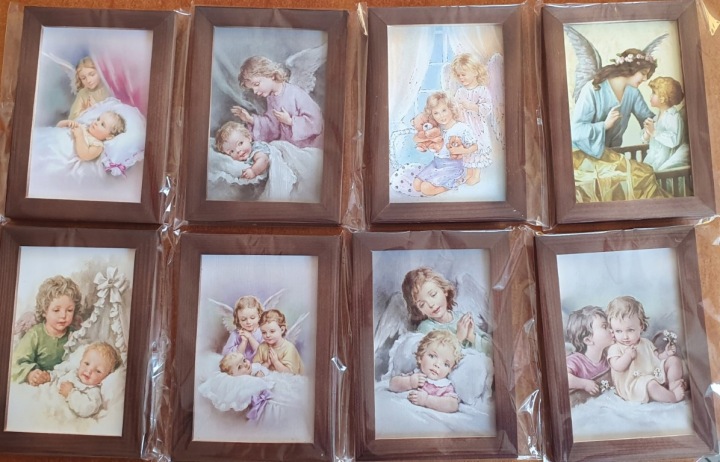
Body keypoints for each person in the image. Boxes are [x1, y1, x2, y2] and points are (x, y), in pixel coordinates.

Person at [571, 48, 668, 201]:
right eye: (643, 73)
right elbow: (575, 131)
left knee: (645, 174)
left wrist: (666, 115)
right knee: (632, 177)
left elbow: (648, 118)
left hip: (609, 156)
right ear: (630, 69)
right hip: (583, 157)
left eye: (647, 75)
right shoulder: (594, 88)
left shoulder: (632, 93)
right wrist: (604, 125)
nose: (645, 79)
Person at [232, 55, 323, 149]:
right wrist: (250, 119)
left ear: (271, 75)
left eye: (256, 84)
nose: (254, 91)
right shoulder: (271, 98)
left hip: (308, 146)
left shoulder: (295, 93)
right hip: (287, 146)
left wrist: (290, 121)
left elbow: (316, 121)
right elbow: (272, 125)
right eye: (252, 89)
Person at [606, 296, 685, 403]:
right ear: (612, 331)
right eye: (618, 331)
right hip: (633, 385)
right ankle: (673, 397)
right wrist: (627, 356)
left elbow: (656, 358)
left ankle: (673, 384)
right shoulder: (615, 348)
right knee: (651, 384)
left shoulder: (646, 343)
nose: (625, 336)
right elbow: (617, 367)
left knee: (674, 360)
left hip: (652, 374)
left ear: (641, 326)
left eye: (630, 330)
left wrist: (666, 354)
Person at [402, 267, 491, 354]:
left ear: (444, 291)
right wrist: (459, 339)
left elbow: (491, 349)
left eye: (433, 295)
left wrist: (471, 337)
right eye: (422, 304)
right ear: (419, 310)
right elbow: (436, 359)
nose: (431, 304)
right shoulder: (427, 328)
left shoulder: (461, 317)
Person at [12, 276, 82, 385]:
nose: (63, 315)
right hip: (38, 384)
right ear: (44, 311)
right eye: (56, 310)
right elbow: (15, 363)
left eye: (69, 310)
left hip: (61, 383)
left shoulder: (74, 335)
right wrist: (30, 374)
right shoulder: (35, 334)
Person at [412, 92, 479, 197]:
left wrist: (462, 151)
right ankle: (436, 181)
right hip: (436, 163)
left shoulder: (461, 128)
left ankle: (452, 184)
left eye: (444, 110)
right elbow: (421, 139)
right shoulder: (436, 128)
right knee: (416, 185)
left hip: (453, 166)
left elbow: (475, 147)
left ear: (451, 109)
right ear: (432, 115)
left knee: (426, 189)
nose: (441, 116)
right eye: (436, 113)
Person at [389, 330, 462, 413]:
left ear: (450, 370)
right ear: (420, 357)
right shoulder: (415, 374)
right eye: (432, 356)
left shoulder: (444, 386)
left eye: (446, 364)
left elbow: (453, 405)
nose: (437, 364)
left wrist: (426, 400)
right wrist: (410, 382)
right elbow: (392, 385)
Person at [449, 53, 494, 185]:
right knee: (467, 148)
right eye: (458, 75)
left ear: (475, 72)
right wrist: (456, 109)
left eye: (463, 74)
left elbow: (487, 107)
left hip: (477, 126)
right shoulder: (460, 92)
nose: (461, 78)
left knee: (477, 147)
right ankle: (468, 173)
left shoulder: (482, 90)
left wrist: (472, 106)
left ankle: (476, 175)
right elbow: (455, 108)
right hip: (465, 125)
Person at [55, 342, 121, 418]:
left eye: (98, 371)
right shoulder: (73, 373)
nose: (89, 371)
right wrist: (50, 377)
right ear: (81, 361)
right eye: (86, 363)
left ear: (105, 377)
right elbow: (58, 377)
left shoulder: (94, 393)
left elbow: (86, 409)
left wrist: (71, 393)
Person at [641, 76, 690, 171]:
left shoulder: (673, 116)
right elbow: (646, 139)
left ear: (663, 98)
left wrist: (654, 132)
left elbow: (673, 140)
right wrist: (647, 133)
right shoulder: (656, 117)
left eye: (654, 93)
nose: (650, 96)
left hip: (664, 159)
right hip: (652, 157)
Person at [565, 306, 614, 395]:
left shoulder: (608, 355)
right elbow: (562, 378)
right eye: (604, 326)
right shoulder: (575, 360)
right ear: (588, 340)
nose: (611, 330)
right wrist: (584, 384)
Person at [56, 111, 126, 162]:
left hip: (60, 154)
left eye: (102, 124)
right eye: (98, 119)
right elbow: (57, 127)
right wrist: (67, 123)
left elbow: (85, 155)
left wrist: (79, 136)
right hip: (56, 139)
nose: (96, 122)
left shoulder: (97, 145)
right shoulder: (83, 127)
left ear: (109, 137)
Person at [252, 309, 304, 375]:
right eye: (264, 332)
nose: (267, 335)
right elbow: (254, 368)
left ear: (282, 329)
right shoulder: (262, 347)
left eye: (272, 331)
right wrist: (267, 363)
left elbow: (291, 374)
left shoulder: (289, 348)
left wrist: (275, 362)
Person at [222, 295, 264, 361]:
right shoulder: (236, 334)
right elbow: (226, 354)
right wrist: (244, 342)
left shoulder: (263, 331)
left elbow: (263, 354)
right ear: (238, 320)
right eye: (243, 319)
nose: (248, 322)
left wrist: (250, 337)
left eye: (252, 318)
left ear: (259, 316)